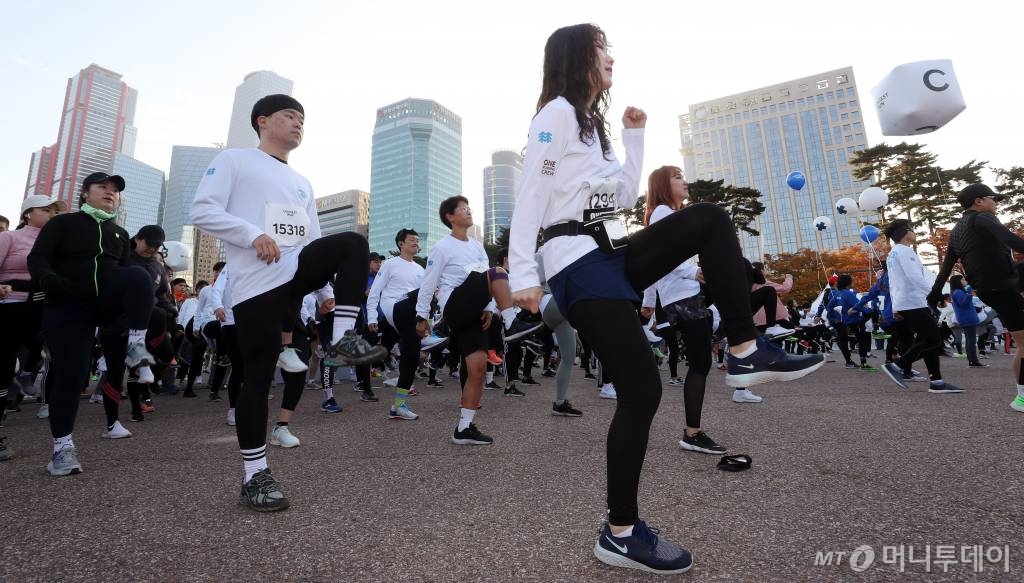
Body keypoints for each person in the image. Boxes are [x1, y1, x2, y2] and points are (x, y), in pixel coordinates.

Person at [507, 23, 823, 575]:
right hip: (574, 262)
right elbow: (532, 189)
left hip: (609, 251)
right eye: (602, 50)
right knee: (642, 390)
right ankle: (621, 533)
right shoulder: (555, 114)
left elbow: (623, 194)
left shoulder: (592, 127)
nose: (611, 58)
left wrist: (633, 136)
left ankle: (745, 349)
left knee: (709, 219)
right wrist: (521, 271)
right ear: (577, 57)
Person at [190, 94, 386, 511]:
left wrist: (327, 294)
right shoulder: (234, 160)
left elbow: (313, 240)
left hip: (295, 276)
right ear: (262, 121)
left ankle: (343, 338)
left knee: (352, 243)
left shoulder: (302, 182)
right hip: (257, 285)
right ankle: (254, 475)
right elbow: (202, 210)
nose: (298, 124)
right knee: (258, 378)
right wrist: (252, 235)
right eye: (289, 116)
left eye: (302, 119)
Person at [28, 172, 157, 476]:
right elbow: (38, 259)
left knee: (138, 275)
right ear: (85, 193)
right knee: (72, 378)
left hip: (104, 306)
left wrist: (125, 316)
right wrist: (51, 281)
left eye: (115, 190)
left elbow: (123, 276)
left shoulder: (120, 233)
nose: (110, 193)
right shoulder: (63, 223)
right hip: (67, 306)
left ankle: (137, 346)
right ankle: (62, 449)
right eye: (103, 187)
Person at [415, 196, 538, 446]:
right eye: (463, 209)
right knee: (498, 271)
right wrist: (421, 316)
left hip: (476, 312)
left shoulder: (477, 247)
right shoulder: (441, 248)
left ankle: (464, 428)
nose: (468, 211)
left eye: (469, 208)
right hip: (454, 305)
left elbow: (489, 283)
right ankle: (512, 323)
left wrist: (490, 308)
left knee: (478, 369)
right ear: (450, 217)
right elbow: (428, 283)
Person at [640, 166, 730, 455]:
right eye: (677, 177)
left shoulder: (666, 214)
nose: (685, 181)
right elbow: (661, 256)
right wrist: (693, 272)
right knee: (700, 363)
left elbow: (653, 263)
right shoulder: (662, 212)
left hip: (682, 295)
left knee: (700, 362)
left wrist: (648, 302)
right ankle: (692, 433)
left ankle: (693, 432)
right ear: (663, 185)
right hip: (683, 296)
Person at [930, 183, 1024, 412]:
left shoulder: (956, 231)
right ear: (978, 201)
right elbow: (1009, 238)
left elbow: (945, 268)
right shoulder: (983, 217)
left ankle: (1022, 396)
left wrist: (933, 295)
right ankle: (1022, 398)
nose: (995, 203)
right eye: (993, 198)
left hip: (989, 290)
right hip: (1003, 286)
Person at [0, 195, 66, 461]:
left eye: (55, 211)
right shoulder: (9, 238)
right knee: (3, 367)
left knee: (56, 347)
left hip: (45, 308)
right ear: (28, 214)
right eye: (46, 210)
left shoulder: (59, 244)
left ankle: (29, 372)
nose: (52, 214)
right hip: (10, 308)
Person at [879, 219, 961, 393]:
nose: (914, 232)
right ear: (904, 232)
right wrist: (934, 295)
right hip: (914, 302)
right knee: (933, 340)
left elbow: (894, 282)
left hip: (906, 302)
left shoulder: (894, 253)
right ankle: (897, 366)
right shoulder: (904, 251)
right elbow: (914, 277)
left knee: (927, 340)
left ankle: (937, 381)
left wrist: (895, 307)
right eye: (911, 229)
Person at [366, 228, 427, 420]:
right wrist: (371, 316)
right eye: (412, 240)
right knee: (424, 291)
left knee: (411, 357)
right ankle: (428, 335)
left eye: (418, 240)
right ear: (401, 243)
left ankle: (398, 406)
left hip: (413, 314)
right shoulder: (390, 264)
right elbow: (375, 290)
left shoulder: (420, 269)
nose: (416, 243)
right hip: (394, 306)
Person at [948, 275, 984, 367]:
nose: (965, 281)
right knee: (971, 340)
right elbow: (964, 303)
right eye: (963, 279)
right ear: (958, 281)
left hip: (965, 318)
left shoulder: (956, 292)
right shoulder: (958, 292)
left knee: (970, 340)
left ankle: (972, 361)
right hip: (967, 318)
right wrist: (969, 292)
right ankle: (974, 361)